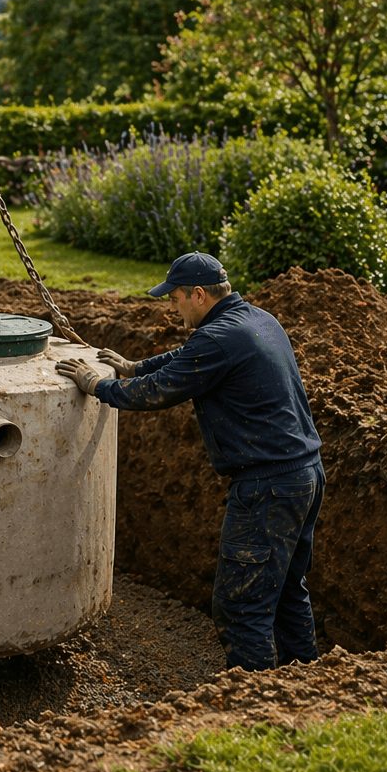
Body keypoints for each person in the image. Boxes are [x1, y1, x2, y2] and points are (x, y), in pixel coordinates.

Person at [55, 251, 324, 672]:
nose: (172, 306)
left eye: (175, 298)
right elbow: (187, 356)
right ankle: (305, 685)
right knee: (289, 592)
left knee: (241, 606)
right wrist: (134, 366)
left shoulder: (217, 338)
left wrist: (98, 386)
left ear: (198, 294)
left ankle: (255, 696)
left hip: (267, 488)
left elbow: (158, 391)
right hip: (304, 476)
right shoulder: (256, 319)